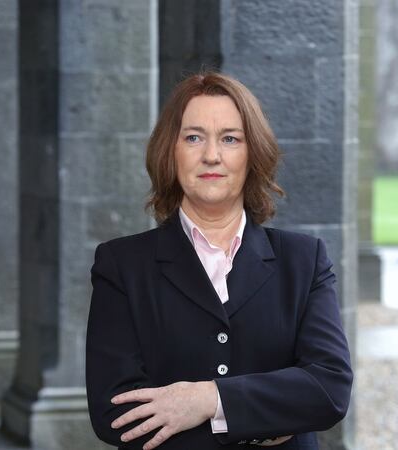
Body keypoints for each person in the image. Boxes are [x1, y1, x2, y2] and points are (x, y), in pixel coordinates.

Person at [85, 72, 352, 450]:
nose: (212, 155)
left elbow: (330, 389)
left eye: (230, 138)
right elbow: (115, 414)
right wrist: (267, 416)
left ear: (252, 153)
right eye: (193, 137)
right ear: (170, 152)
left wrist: (208, 400)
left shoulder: (304, 260)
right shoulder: (122, 265)